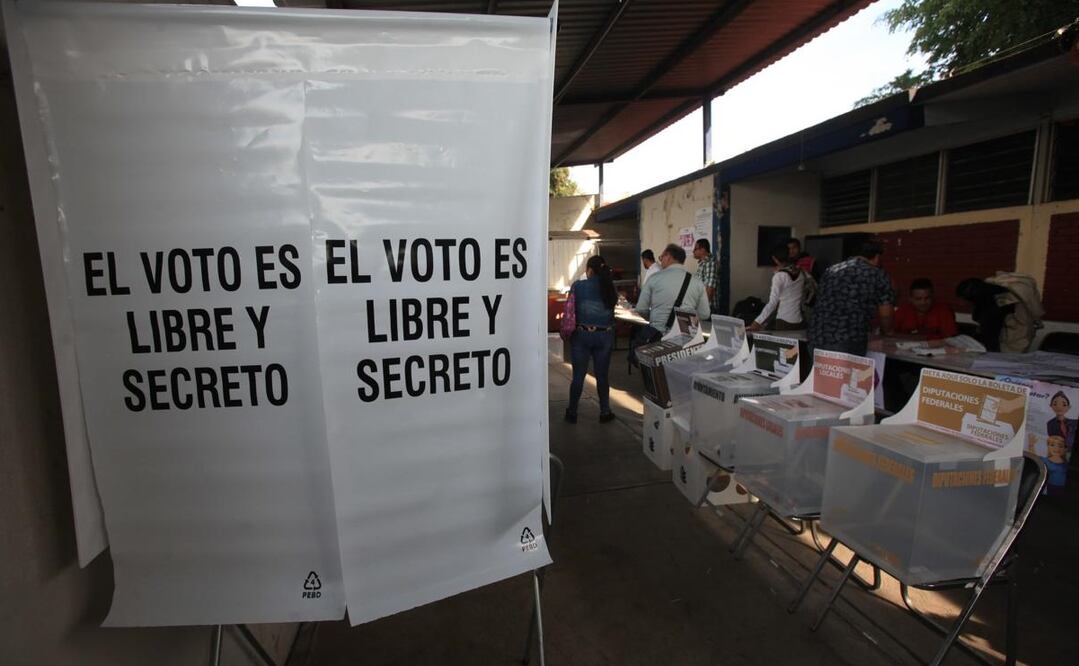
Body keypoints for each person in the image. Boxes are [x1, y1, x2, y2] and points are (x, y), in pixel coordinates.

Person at [808, 240, 895, 356]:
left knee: (819, 368)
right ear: (877, 257)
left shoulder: (831, 270)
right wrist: (887, 332)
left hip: (816, 335)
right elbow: (886, 314)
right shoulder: (877, 274)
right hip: (848, 340)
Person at [629, 244, 712, 365]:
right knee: (680, 373)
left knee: (658, 373)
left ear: (668, 256)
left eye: (661, 257)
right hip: (685, 342)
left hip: (657, 339)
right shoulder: (697, 282)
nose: (660, 261)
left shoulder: (654, 279)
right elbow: (705, 314)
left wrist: (654, 319)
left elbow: (641, 308)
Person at [565, 255, 617, 424]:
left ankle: (572, 412)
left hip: (582, 335)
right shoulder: (610, 287)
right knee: (602, 376)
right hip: (604, 336)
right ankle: (605, 411)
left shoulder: (578, 286)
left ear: (589, 270)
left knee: (578, 376)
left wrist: (566, 333)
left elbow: (569, 311)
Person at [955, 275, 1042, 352]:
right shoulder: (994, 293)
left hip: (1012, 340)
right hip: (1014, 336)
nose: (962, 304)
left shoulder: (993, 303)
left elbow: (991, 332)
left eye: (965, 300)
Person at [749, 244, 805, 332]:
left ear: (775, 259)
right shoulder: (800, 273)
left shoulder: (779, 276)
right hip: (799, 320)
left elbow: (773, 303)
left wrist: (757, 322)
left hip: (784, 321)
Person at [893, 278, 958, 340]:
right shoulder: (903, 310)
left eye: (927, 298)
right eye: (918, 299)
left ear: (932, 297)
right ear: (911, 299)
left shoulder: (943, 311)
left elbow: (950, 339)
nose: (923, 302)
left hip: (937, 347)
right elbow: (891, 334)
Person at [692, 238, 718, 313]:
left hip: (707, 307)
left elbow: (710, 289)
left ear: (703, 250)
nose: (693, 251)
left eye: (695, 249)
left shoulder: (710, 263)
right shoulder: (703, 263)